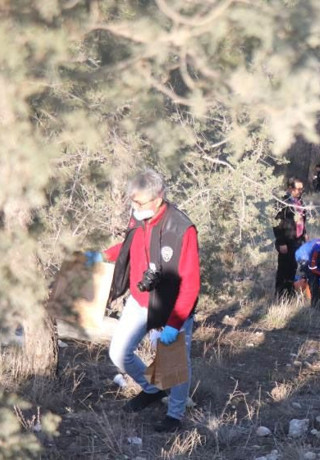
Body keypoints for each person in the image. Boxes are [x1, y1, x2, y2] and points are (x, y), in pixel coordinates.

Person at [96, 168, 200, 433]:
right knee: (118, 352)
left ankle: (175, 414)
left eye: (140, 202)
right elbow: (129, 245)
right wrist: (104, 256)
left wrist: (175, 324)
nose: (135, 207)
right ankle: (152, 389)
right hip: (140, 300)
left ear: (159, 197)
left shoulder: (181, 228)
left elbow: (190, 282)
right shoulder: (139, 218)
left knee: (175, 365)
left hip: (171, 304)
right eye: (133, 201)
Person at [273, 178, 308, 298]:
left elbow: (303, 219)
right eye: (298, 189)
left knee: (293, 266)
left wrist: (305, 233)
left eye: (302, 189)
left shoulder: (300, 201)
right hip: (286, 241)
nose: (300, 191)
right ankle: (280, 294)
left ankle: (290, 291)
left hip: (297, 240)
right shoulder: (282, 202)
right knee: (284, 268)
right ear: (290, 188)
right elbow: (275, 223)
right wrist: (281, 242)